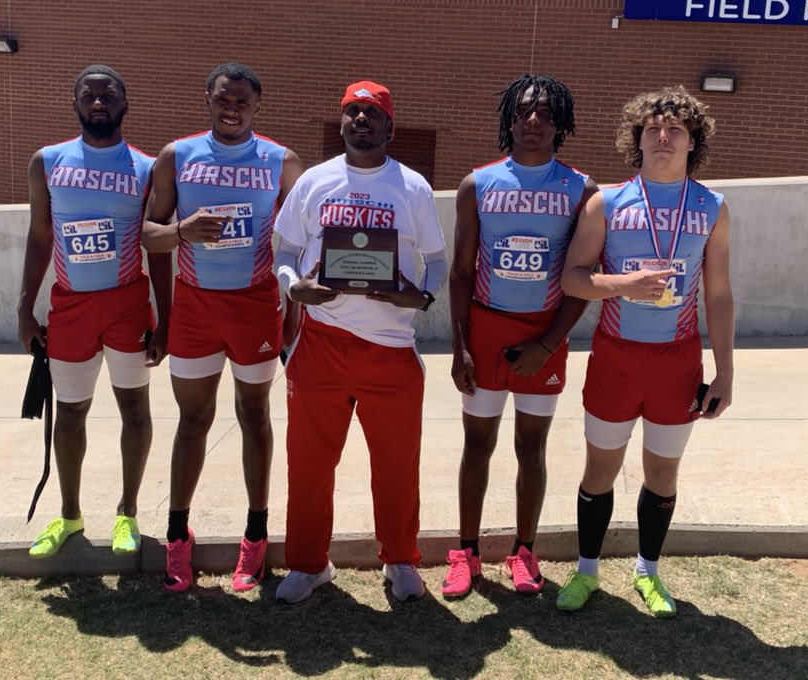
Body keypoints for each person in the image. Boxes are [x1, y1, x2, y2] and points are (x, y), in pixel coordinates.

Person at [557, 86, 734, 617]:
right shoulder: (606, 201)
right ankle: (587, 571)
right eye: (652, 128)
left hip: (677, 362)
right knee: (600, 471)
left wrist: (725, 373)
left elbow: (720, 294)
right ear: (637, 138)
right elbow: (572, 279)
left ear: (691, 141)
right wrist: (620, 286)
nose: (662, 136)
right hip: (616, 357)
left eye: (674, 129)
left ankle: (648, 571)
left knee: (662, 474)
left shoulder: (713, 208)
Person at [272, 81, 447, 604]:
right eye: (353, 112)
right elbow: (284, 248)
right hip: (322, 343)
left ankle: (400, 560)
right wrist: (293, 287)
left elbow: (436, 261)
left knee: (395, 465)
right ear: (342, 122)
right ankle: (307, 564)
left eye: (372, 112)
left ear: (390, 126)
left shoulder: (412, 186)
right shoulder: (314, 182)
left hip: (390, 348)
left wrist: (423, 298)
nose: (361, 120)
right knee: (308, 464)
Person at [142, 62, 304, 593]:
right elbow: (146, 234)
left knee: (254, 415)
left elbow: (306, 240)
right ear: (207, 100)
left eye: (241, 101)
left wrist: (294, 314)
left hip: (255, 305)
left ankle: (255, 536)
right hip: (194, 307)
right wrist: (182, 231)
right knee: (193, 420)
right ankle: (176, 535)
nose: (230, 108)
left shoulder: (281, 162)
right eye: (221, 99)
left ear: (257, 106)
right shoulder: (177, 155)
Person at [443, 74, 598, 597]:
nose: (534, 121)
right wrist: (460, 345)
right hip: (486, 327)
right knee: (477, 445)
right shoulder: (479, 184)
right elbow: (461, 272)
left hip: (544, 331)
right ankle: (465, 551)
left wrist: (549, 344)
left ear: (562, 124)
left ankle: (524, 551)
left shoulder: (582, 190)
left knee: (531, 448)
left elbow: (584, 277)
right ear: (509, 118)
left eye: (546, 113)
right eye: (525, 111)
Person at [17, 64, 165, 559]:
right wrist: (24, 307)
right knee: (71, 412)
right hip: (71, 306)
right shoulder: (48, 161)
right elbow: (40, 237)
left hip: (126, 302)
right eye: (89, 95)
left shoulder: (145, 168)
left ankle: (127, 513)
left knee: (134, 409)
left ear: (125, 105)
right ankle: (70, 515)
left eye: (108, 95)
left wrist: (163, 315)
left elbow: (158, 245)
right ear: (75, 103)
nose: (98, 102)